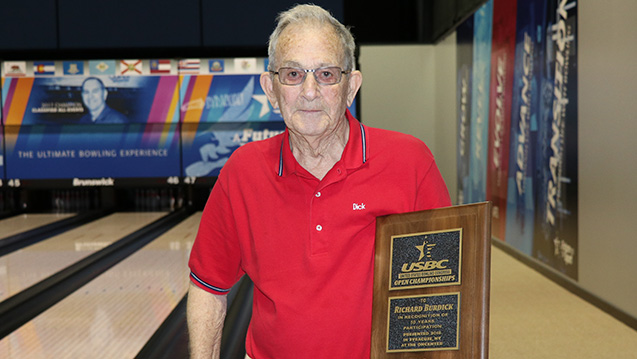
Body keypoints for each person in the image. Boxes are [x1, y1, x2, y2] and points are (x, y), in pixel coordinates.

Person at [187, 4, 451, 359]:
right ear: (271, 88)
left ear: (351, 86)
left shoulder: (410, 163)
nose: (309, 91)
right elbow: (208, 287)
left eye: (326, 74)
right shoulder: (243, 171)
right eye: (293, 74)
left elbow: (445, 289)